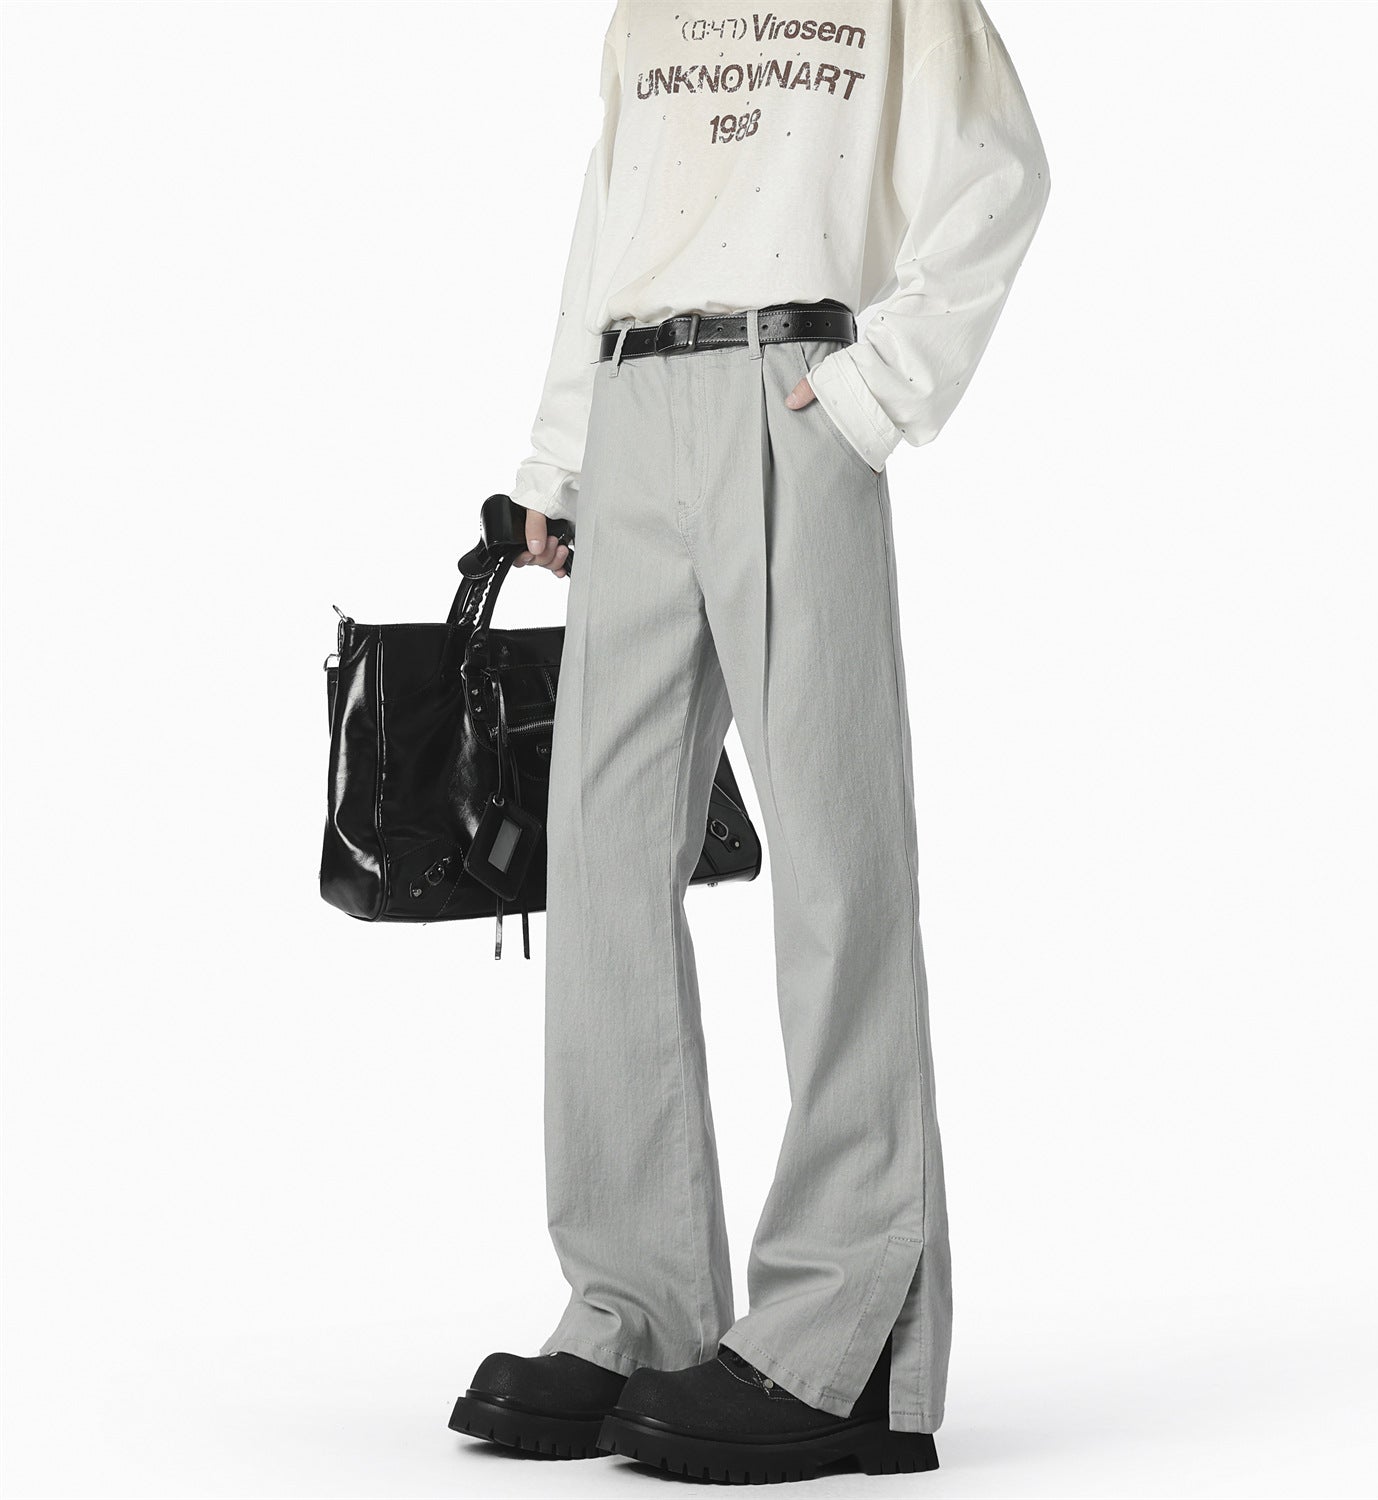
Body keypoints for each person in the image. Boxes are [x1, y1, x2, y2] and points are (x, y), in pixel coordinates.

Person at [448, 0, 1049, 1483]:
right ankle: (637, 1306)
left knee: (838, 863)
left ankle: (850, 1337)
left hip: (793, 392)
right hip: (635, 407)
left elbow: (997, 170)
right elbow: (612, 216)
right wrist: (559, 463)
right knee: (597, 862)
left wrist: (873, 392)